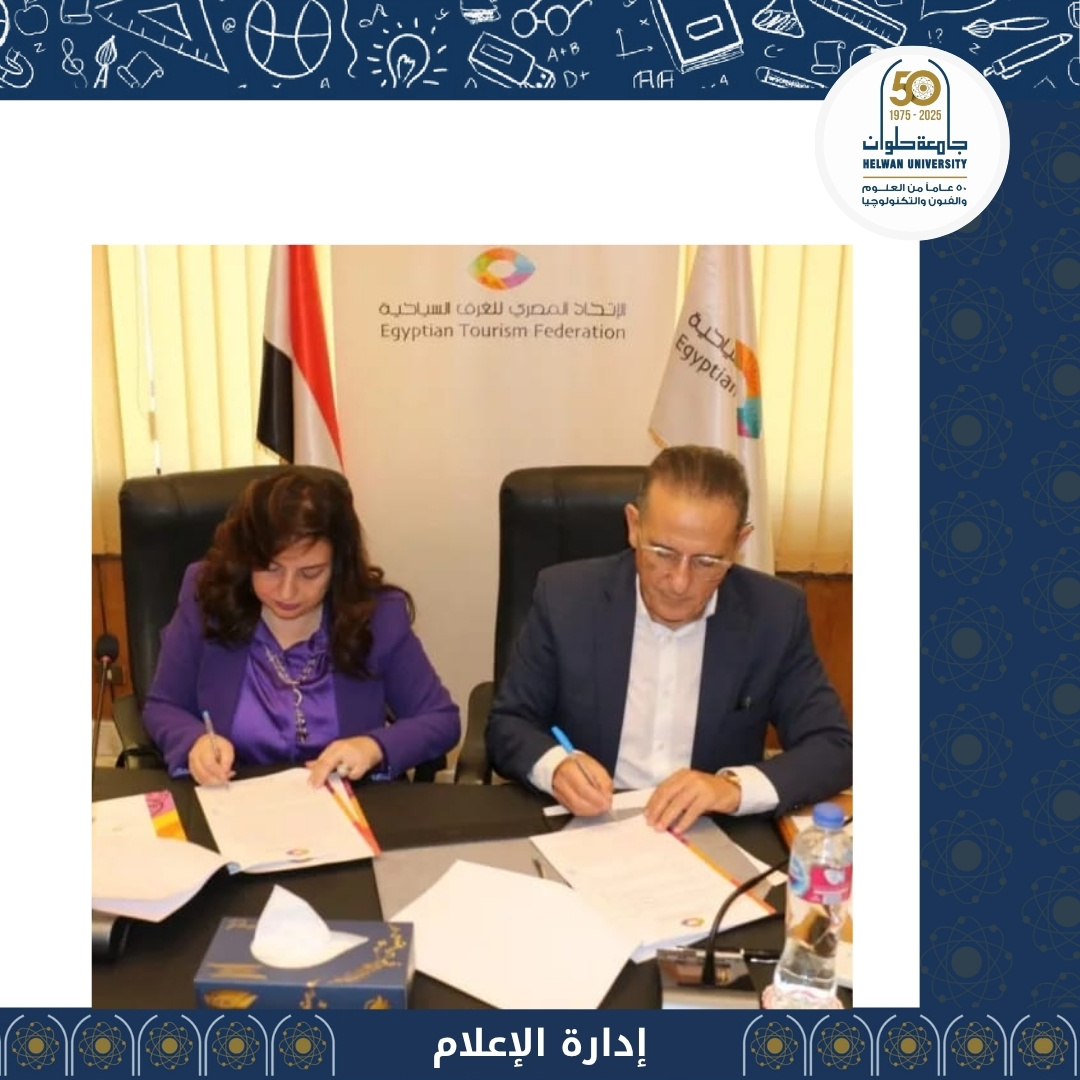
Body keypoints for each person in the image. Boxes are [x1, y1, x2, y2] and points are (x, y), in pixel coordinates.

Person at [485, 445, 852, 831]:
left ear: (739, 544)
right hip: (586, 826)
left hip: (708, 830)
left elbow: (833, 746)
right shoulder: (566, 597)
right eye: (662, 552)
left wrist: (731, 788)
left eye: (707, 561)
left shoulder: (774, 614)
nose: (679, 582)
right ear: (634, 526)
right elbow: (510, 723)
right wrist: (556, 767)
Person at [143, 467, 461, 787]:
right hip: (234, 799)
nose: (287, 592)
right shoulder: (207, 599)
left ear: (338, 565)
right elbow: (164, 706)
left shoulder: (377, 616)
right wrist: (194, 741)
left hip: (346, 805)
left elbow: (441, 719)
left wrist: (374, 747)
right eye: (270, 570)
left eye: (310, 573)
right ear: (246, 559)